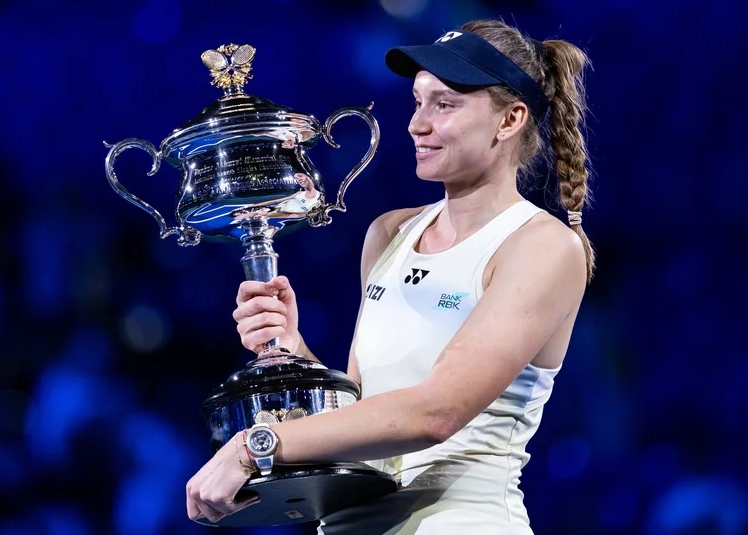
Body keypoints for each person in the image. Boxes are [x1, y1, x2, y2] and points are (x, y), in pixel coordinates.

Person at [185, 18, 595, 534]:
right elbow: (364, 411)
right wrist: (296, 353)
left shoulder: (543, 245)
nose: (416, 124)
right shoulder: (389, 232)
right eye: (418, 102)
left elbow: (435, 414)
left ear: (510, 119)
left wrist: (256, 446)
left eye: (444, 104)